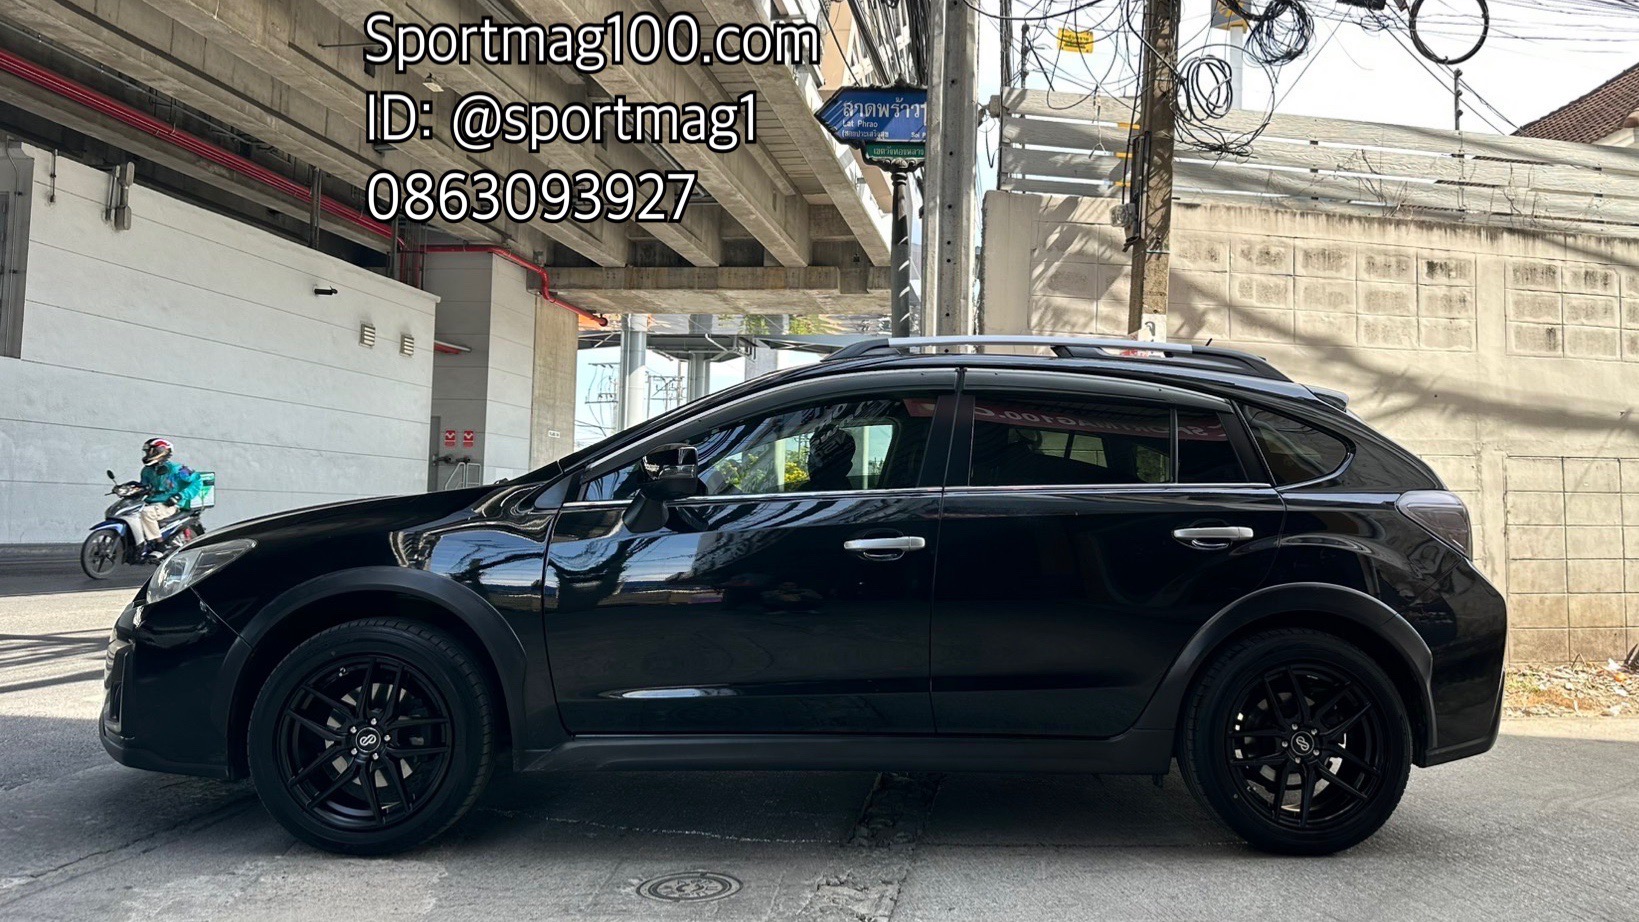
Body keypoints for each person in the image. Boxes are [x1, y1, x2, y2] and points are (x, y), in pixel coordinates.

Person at [137, 438, 201, 560]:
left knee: (146, 513)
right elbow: (144, 486)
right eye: (147, 452)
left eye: (151, 451)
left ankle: (160, 545)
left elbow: (197, 481)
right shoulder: (146, 471)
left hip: (169, 504)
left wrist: (180, 496)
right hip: (152, 502)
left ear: (161, 451)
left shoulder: (177, 469)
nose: (148, 454)